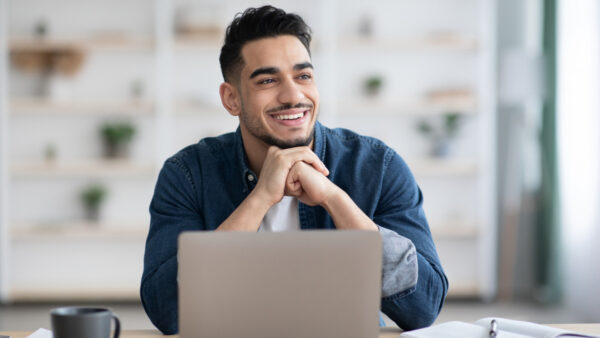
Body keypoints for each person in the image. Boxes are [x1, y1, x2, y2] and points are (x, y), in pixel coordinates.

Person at [141, 5, 448, 335]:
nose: (293, 95)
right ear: (232, 99)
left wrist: (335, 199)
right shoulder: (187, 173)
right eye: (268, 80)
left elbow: (424, 309)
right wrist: (260, 198)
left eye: (303, 76)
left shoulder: (378, 166)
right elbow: (166, 310)